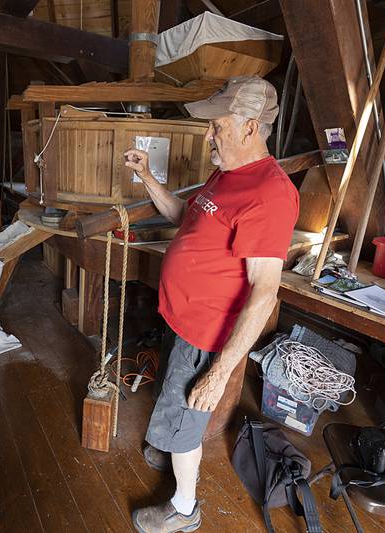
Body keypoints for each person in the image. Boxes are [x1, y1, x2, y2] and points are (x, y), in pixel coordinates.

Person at [124, 76, 299, 533]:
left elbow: (265, 291)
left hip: (206, 333)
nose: (208, 137)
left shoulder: (271, 193)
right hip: (181, 319)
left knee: (189, 405)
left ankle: (184, 509)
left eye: (216, 126)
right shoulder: (226, 174)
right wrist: (147, 178)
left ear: (251, 127)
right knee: (173, 398)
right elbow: (187, 220)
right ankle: (171, 443)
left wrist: (219, 374)